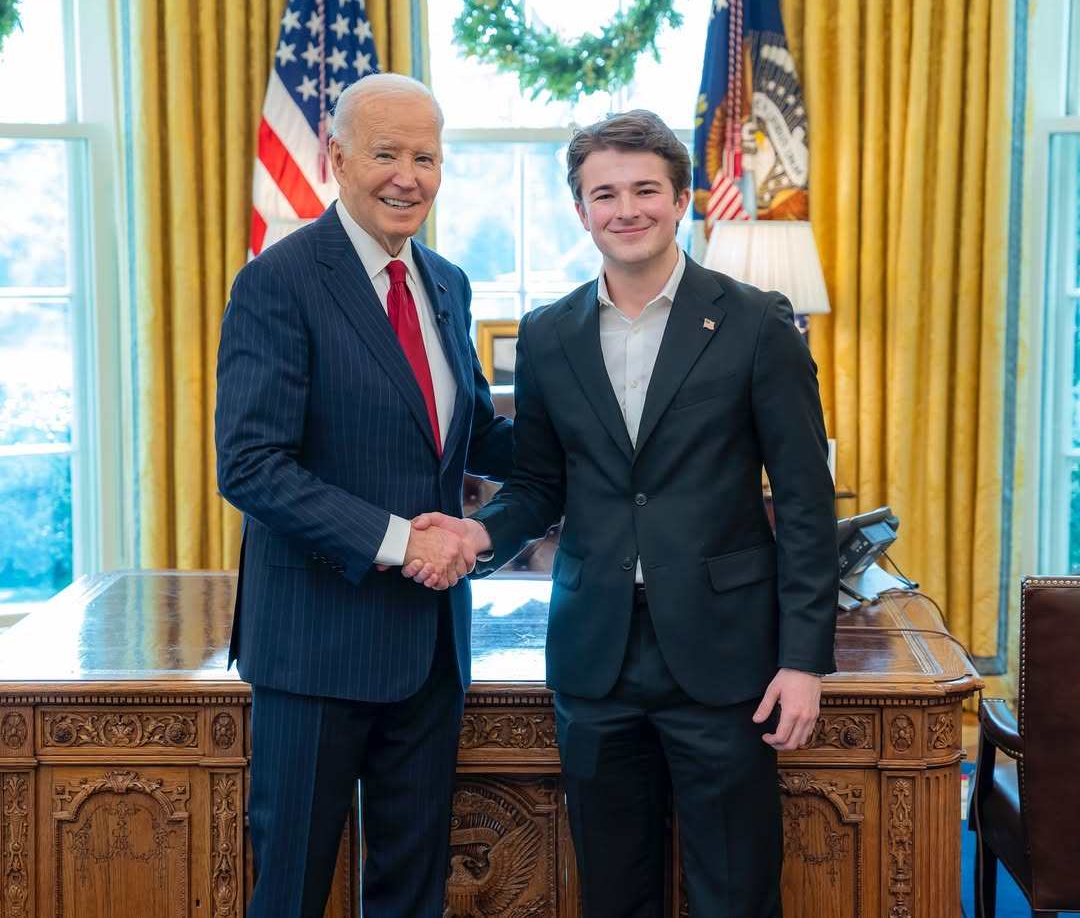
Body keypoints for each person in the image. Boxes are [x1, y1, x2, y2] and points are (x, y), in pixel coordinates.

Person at [410, 110, 838, 917]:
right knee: (613, 893)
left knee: (735, 893)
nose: (626, 208)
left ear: (681, 200)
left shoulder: (756, 324)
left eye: (646, 189)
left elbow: (808, 504)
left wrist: (803, 659)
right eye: (604, 193)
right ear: (581, 211)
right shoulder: (547, 335)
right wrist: (479, 533)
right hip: (594, 658)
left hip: (725, 660)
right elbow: (539, 486)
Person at [214, 73, 513, 918]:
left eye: (425, 156)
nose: (407, 175)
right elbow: (250, 463)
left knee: (412, 891)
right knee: (292, 890)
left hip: (430, 651)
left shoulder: (446, 281)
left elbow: (473, 433)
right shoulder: (280, 282)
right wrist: (400, 539)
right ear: (335, 157)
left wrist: (613, 425)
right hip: (315, 645)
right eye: (386, 153)